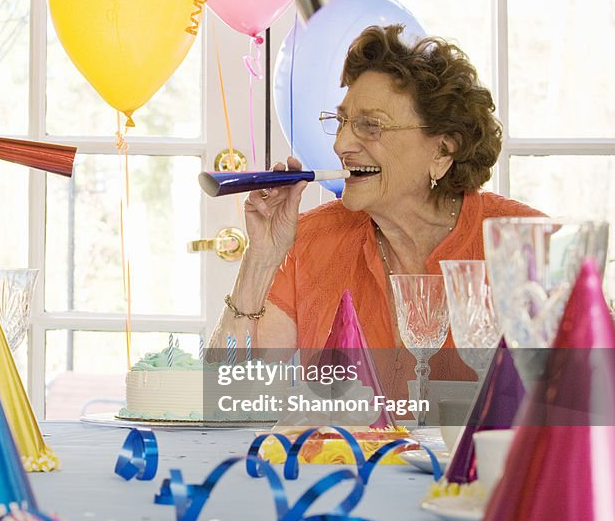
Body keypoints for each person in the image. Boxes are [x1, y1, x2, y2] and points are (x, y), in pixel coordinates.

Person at [212, 25, 543, 402]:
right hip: (339, 462)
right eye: (341, 122)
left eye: (371, 126)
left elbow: (585, 401)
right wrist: (261, 258)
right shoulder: (310, 240)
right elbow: (233, 394)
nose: (341, 144)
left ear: (443, 150)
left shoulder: (525, 245)